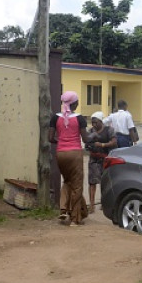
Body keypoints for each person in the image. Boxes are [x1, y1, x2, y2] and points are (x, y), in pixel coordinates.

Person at [48, 91, 91, 227]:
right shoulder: (80, 119)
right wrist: (93, 138)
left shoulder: (55, 117)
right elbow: (85, 139)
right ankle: (75, 218)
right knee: (77, 185)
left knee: (67, 181)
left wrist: (62, 142)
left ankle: (63, 209)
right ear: (75, 103)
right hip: (75, 153)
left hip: (60, 153)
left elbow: (50, 138)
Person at [85, 111, 117, 214]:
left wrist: (102, 145)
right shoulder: (91, 131)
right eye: (92, 122)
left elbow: (114, 142)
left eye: (96, 122)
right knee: (92, 182)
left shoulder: (109, 130)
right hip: (94, 159)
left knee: (105, 182)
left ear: (101, 121)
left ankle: (104, 203)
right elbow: (87, 143)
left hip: (105, 159)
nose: (94, 125)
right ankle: (92, 204)